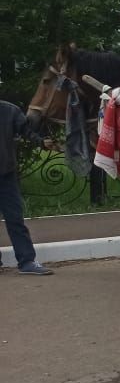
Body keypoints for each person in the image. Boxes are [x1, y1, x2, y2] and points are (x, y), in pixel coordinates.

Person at [0, 100, 52, 275]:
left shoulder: (9, 111)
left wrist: (41, 142)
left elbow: (27, 131)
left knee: (15, 219)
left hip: (6, 175)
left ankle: (27, 261)